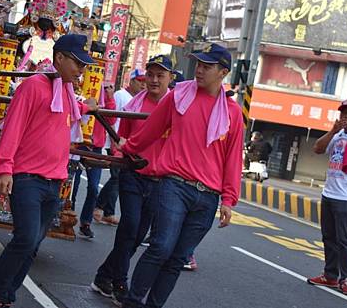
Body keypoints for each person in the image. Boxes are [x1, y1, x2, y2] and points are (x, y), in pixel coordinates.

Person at [117, 43, 244, 308]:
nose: (198, 70)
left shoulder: (232, 112)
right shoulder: (178, 96)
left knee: (178, 258)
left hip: (208, 197)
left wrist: (229, 200)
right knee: (161, 246)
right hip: (174, 184)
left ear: (222, 72)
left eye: (206, 66)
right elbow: (151, 129)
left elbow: (233, 159)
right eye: (198, 64)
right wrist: (127, 147)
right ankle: (132, 302)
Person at [0, 34, 97, 308]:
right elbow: (13, 127)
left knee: (33, 245)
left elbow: (67, 114)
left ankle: (6, 297)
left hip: (54, 181)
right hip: (27, 178)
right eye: (77, 63)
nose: (82, 69)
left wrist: (87, 108)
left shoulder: (66, 92)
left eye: (84, 64)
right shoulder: (34, 86)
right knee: (25, 238)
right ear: (60, 58)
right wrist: (4, 168)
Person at [92, 55, 173, 305]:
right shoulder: (133, 107)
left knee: (138, 236)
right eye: (150, 75)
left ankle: (104, 275)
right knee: (129, 227)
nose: (154, 80)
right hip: (133, 174)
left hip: (159, 180)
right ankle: (119, 282)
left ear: (171, 78)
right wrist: (119, 151)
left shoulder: (177, 107)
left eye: (160, 75)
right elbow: (121, 139)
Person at [307, 98, 347, 297]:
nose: (346, 117)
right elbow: (317, 148)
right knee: (329, 238)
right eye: (343, 113)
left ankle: (346, 279)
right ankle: (330, 275)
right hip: (330, 194)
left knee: (346, 241)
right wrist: (332, 131)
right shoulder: (337, 134)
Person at [94, 69, 147, 225]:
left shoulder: (137, 98)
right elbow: (113, 120)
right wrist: (114, 142)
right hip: (116, 142)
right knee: (117, 177)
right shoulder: (120, 95)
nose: (143, 85)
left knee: (117, 178)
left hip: (126, 144)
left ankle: (107, 210)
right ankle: (100, 206)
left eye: (144, 81)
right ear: (131, 81)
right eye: (140, 81)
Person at [71, 85, 116, 238]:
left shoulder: (104, 90)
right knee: (73, 184)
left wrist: (109, 99)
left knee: (93, 187)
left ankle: (85, 222)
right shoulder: (79, 86)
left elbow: (111, 119)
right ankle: (66, 217)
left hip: (96, 147)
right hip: (79, 143)